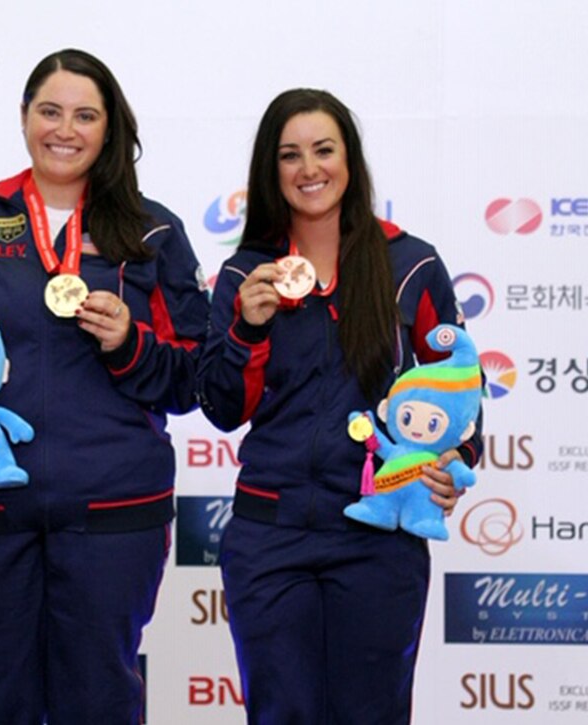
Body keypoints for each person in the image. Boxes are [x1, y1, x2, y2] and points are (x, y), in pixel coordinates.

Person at [0, 49, 210, 724]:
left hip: (114, 506)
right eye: (49, 111)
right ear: (23, 118)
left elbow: (194, 378)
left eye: (85, 115)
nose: (64, 129)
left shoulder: (151, 230)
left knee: (100, 700)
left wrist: (130, 342)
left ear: (108, 128)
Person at [196, 88, 484, 724]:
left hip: (379, 534)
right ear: (271, 174)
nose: (309, 170)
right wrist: (247, 328)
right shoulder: (247, 273)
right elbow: (221, 406)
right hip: (270, 536)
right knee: (281, 713)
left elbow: (463, 391)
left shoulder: (410, 264)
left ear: (349, 161)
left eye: (324, 150)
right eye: (290, 156)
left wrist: (455, 460)